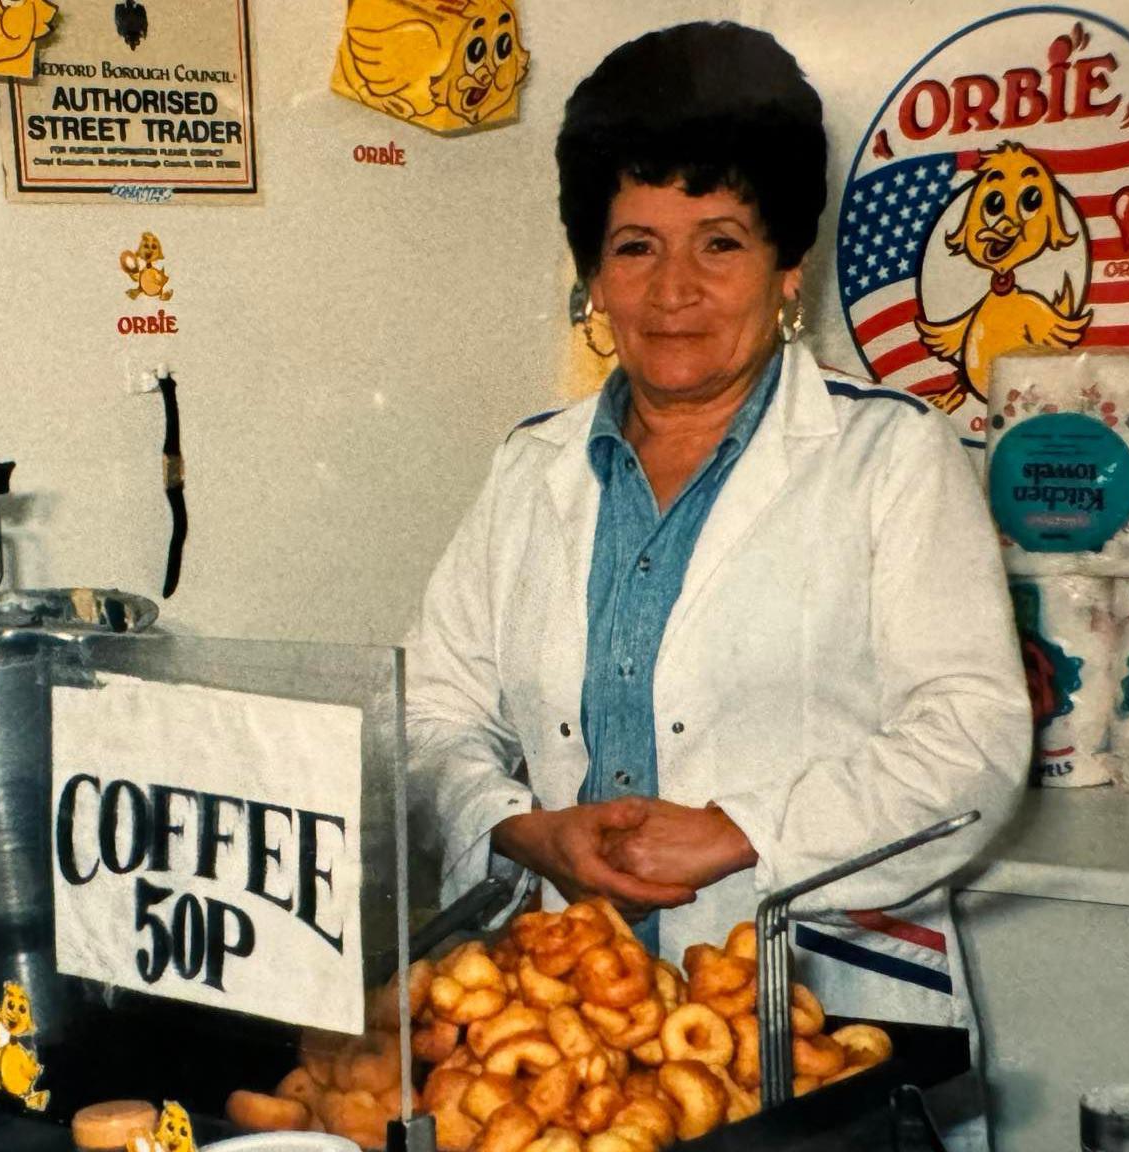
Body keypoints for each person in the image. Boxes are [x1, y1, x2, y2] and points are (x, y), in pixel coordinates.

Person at [404, 22, 1028, 1143]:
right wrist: (516, 828)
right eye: (635, 244)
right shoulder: (528, 466)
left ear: (787, 266)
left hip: (824, 1027)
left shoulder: (891, 455)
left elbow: (971, 748)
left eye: (720, 242)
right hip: (580, 1054)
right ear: (592, 271)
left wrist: (741, 830)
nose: (672, 289)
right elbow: (432, 711)